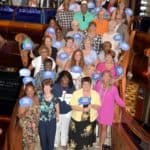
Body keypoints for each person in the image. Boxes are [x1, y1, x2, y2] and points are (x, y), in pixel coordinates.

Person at [94, 70, 125, 150]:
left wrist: (125, 105)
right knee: (100, 126)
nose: (106, 77)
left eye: (108, 76)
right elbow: (94, 93)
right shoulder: (98, 84)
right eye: (104, 75)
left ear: (110, 77)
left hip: (107, 111)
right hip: (99, 109)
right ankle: (99, 141)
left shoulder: (113, 88)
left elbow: (117, 99)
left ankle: (101, 146)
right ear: (102, 76)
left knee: (104, 128)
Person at [68, 77, 101, 150]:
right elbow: (72, 106)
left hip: (89, 121)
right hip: (77, 120)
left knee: (86, 140)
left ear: (90, 84)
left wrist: (92, 105)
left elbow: (98, 106)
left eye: (88, 84)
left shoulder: (95, 94)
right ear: (81, 85)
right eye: (84, 84)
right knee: (76, 139)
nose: (86, 86)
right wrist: (83, 109)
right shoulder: (76, 93)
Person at [53, 71, 75, 149]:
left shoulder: (72, 87)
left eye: (67, 77)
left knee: (65, 128)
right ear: (61, 77)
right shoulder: (56, 86)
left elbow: (73, 98)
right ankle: (55, 144)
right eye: (64, 77)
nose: (65, 79)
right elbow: (55, 100)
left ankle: (63, 143)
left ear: (70, 79)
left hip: (67, 111)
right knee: (56, 128)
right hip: (57, 111)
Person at [38, 79, 59, 150]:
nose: (46, 88)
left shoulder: (55, 98)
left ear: (51, 88)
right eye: (44, 87)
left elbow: (57, 108)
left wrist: (58, 116)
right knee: (43, 139)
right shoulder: (39, 96)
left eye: (48, 87)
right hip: (41, 121)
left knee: (51, 139)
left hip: (51, 121)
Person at [18, 83, 39, 150]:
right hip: (28, 124)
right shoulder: (24, 101)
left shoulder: (36, 98)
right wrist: (26, 111)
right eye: (28, 91)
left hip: (35, 123)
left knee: (33, 142)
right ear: (26, 91)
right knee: (31, 143)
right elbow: (19, 115)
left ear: (34, 90)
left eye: (31, 90)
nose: (30, 92)